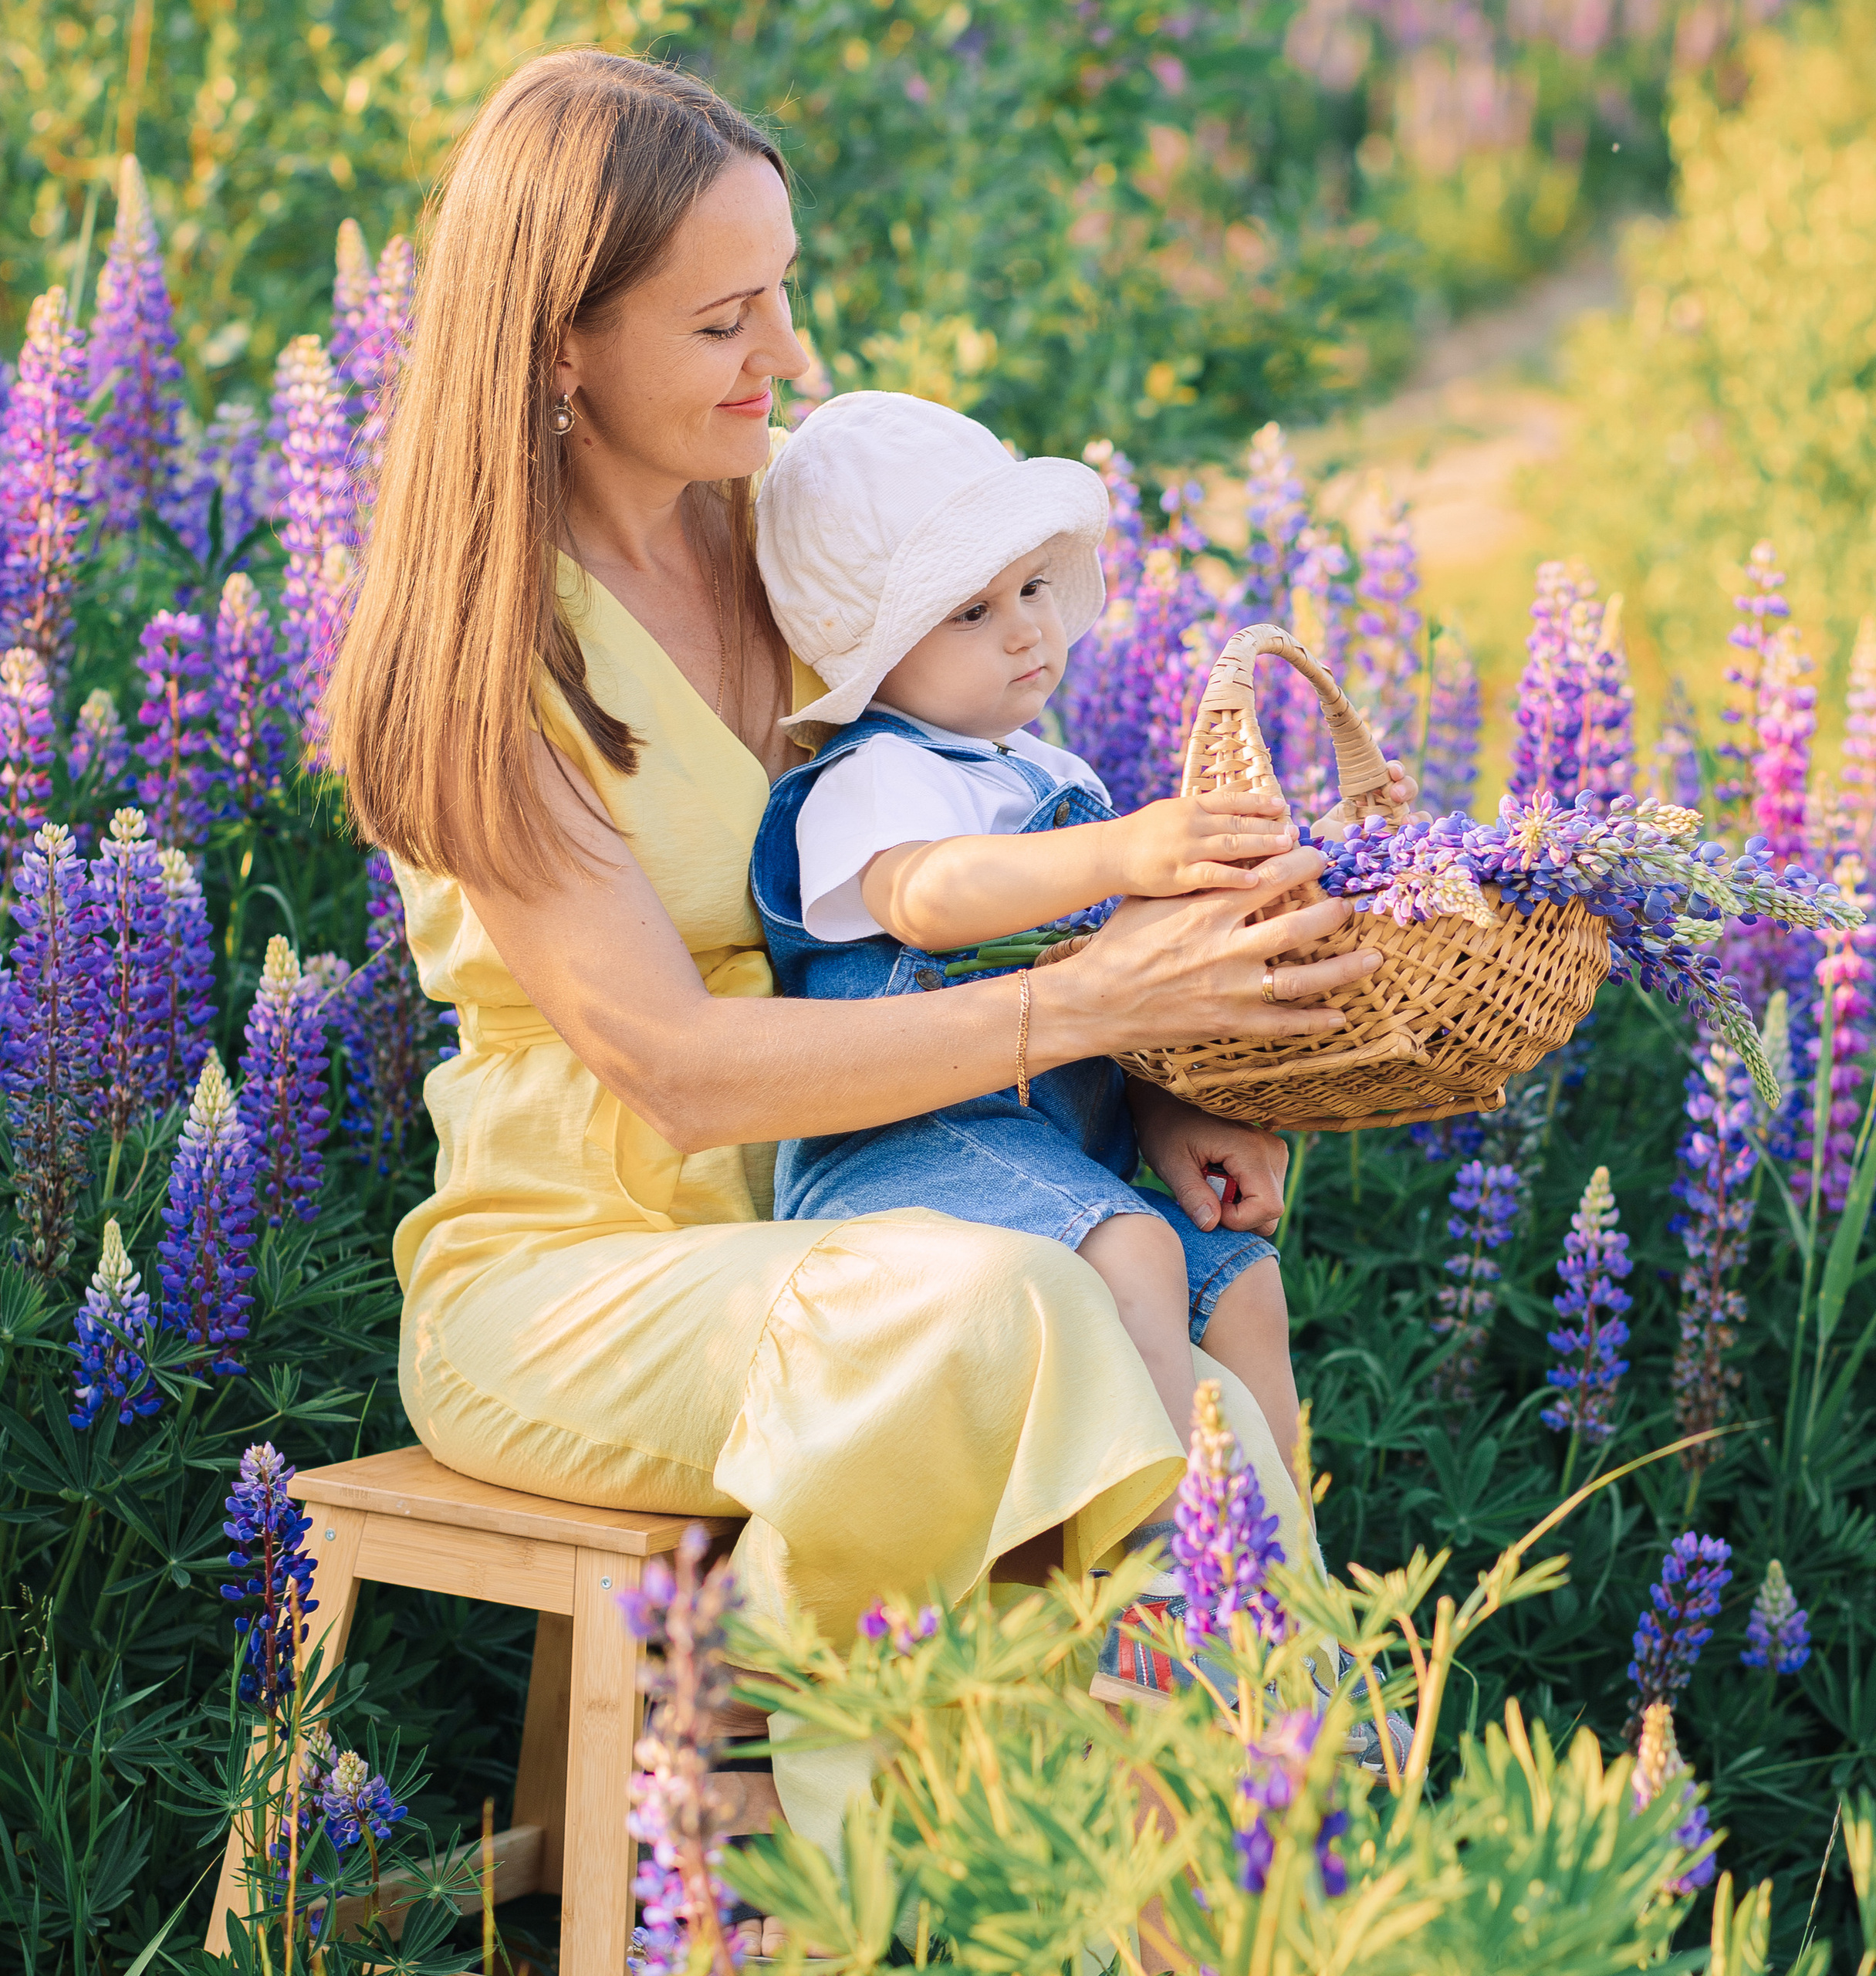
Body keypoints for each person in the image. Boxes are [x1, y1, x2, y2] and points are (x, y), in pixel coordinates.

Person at [328, 47, 1390, 1955]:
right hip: (579, 1277)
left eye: (782, 290)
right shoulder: (477, 651)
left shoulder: (796, 533)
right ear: (560, 344)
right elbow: (680, 1065)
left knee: (1156, 1331)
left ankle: (1243, 1878)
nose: (785, 353)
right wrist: (1086, 1009)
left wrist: (1166, 1081)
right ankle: (882, 1867)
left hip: (898, 1196)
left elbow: (993, 836)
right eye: (722, 319)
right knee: (1008, 1303)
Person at [749, 394, 1415, 1688]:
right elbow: (926, 897)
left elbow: (1112, 996)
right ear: (870, 652)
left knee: (1241, 1280)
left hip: (1057, 1158)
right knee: (1134, 1250)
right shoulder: (872, 775)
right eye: (969, 612)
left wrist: (1176, 1112)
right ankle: (1159, 1598)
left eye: (1032, 590)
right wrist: (1116, 853)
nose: (1026, 631)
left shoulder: (1050, 776)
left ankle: (1286, 1608)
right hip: (903, 1155)